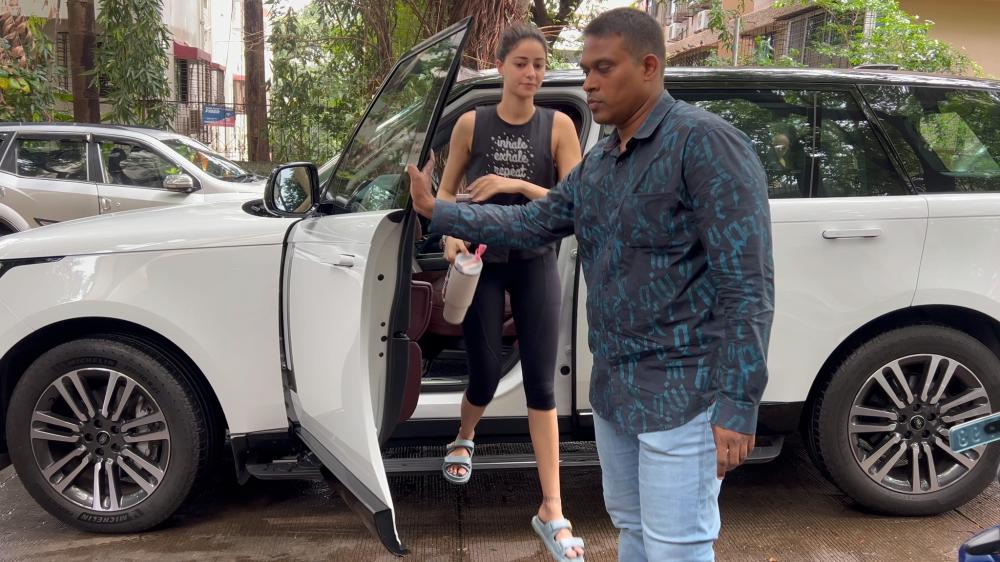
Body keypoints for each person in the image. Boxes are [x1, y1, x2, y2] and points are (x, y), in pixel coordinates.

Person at [408, 8, 774, 562]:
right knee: (632, 532)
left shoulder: (703, 144)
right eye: (585, 69)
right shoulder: (602, 162)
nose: (589, 82)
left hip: (685, 395)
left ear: (649, 66)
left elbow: (747, 287)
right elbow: (532, 222)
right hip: (615, 394)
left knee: (678, 547)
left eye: (604, 68)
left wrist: (738, 404)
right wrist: (441, 210)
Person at [433, 23, 585, 561]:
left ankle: (552, 507)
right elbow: (446, 191)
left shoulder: (560, 126)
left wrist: (514, 185)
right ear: (501, 67)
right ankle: (464, 435)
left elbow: (576, 199)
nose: (531, 73)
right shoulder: (472, 125)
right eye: (521, 63)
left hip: (536, 261)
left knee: (541, 382)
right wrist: (451, 232)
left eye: (539, 65)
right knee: (485, 370)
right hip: (482, 262)